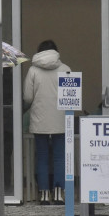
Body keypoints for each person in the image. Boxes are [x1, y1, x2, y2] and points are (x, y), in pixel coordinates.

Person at [22, 40, 70, 205]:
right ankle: (58, 193)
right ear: (56, 52)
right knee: (59, 157)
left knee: (41, 157)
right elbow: (71, 97)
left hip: (39, 119)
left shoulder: (33, 70)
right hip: (61, 120)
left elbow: (28, 97)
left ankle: (43, 194)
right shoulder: (65, 69)